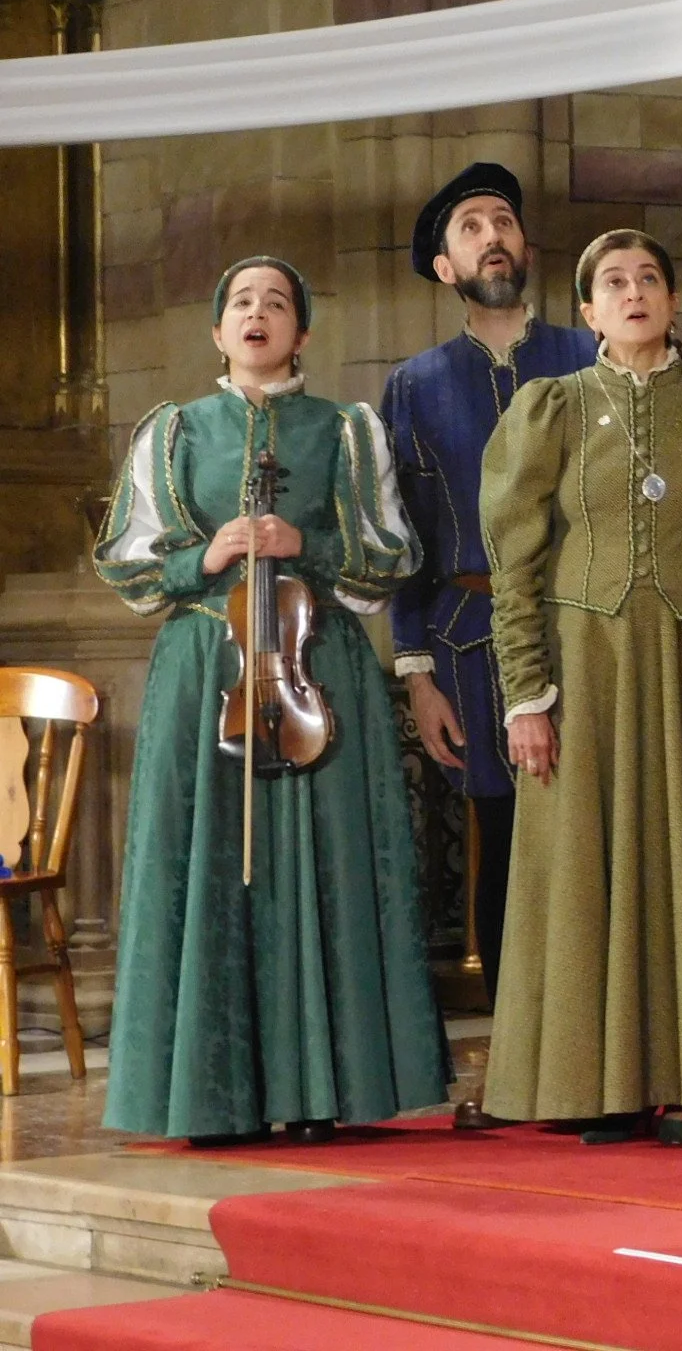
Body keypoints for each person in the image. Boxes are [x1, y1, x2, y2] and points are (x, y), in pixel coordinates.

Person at [94, 257, 450, 1143]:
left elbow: (392, 558)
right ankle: (209, 1096)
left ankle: (322, 1091)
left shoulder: (344, 429)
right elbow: (126, 566)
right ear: (218, 331)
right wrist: (205, 558)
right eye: (241, 303)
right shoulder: (174, 432)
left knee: (322, 866)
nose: (258, 314)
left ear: (303, 333)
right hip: (204, 669)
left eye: (278, 303)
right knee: (209, 866)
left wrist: (307, 542)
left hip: (313, 665)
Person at [477, 229, 682, 1145]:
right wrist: (526, 694)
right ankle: (603, 1086)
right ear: (586, 313)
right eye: (612, 283)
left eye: (649, 278)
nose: (632, 293)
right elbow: (517, 562)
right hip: (586, 672)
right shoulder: (554, 409)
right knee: (589, 863)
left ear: (671, 299)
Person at [380, 163, 595, 1054]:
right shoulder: (415, 385)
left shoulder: (587, 361)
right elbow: (403, 537)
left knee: (595, 833)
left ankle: (603, 1038)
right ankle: (521, 1053)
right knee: (504, 842)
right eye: (471, 227)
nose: (492, 236)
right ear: (445, 267)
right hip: (470, 644)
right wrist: (416, 669)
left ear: (528, 250)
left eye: (503, 221)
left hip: (587, 629)